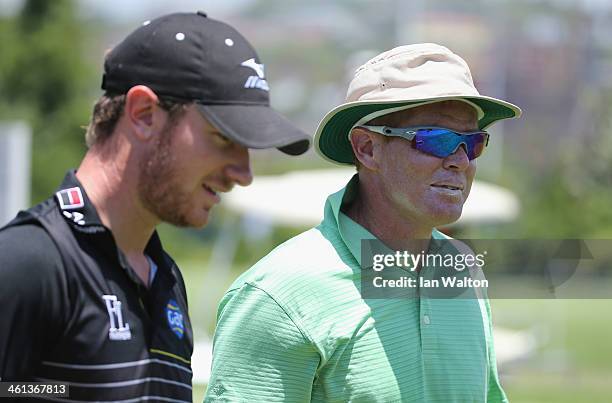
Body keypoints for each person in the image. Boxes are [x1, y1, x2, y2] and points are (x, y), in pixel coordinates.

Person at [0, 11, 309, 402]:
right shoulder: (27, 262)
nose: (243, 173)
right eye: (223, 137)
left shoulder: (165, 279)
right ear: (144, 114)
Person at [205, 43, 522, 402]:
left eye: (473, 142)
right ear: (367, 148)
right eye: (437, 139)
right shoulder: (279, 295)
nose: (460, 160)